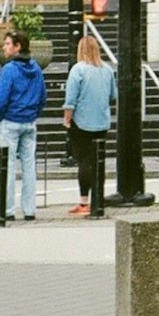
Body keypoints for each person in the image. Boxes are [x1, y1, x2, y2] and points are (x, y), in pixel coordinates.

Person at [0, 29, 47, 220]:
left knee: (7, 166)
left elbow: (1, 99)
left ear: (18, 47)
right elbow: (42, 97)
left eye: (8, 44)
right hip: (29, 121)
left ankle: (7, 210)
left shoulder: (9, 70)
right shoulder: (36, 69)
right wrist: (33, 113)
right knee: (29, 167)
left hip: (11, 120)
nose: (5, 47)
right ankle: (29, 209)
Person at [62, 36, 116, 216]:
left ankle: (84, 202)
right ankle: (98, 200)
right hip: (101, 122)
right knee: (98, 161)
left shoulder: (78, 70)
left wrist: (67, 119)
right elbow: (113, 95)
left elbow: (70, 100)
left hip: (81, 122)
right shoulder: (107, 69)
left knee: (83, 161)